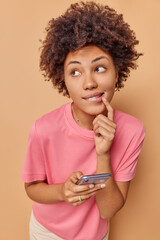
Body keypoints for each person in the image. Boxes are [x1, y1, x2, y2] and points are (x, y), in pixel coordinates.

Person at [21, 1, 145, 240]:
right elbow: (31, 188)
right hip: (47, 231)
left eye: (99, 68)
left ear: (117, 72)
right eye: (75, 72)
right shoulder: (43, 128)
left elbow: (108, 209)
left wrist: (103, 154)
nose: (89, 83)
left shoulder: (132, 131)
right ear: (63, 80)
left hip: (94, 234)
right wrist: (62, 191)